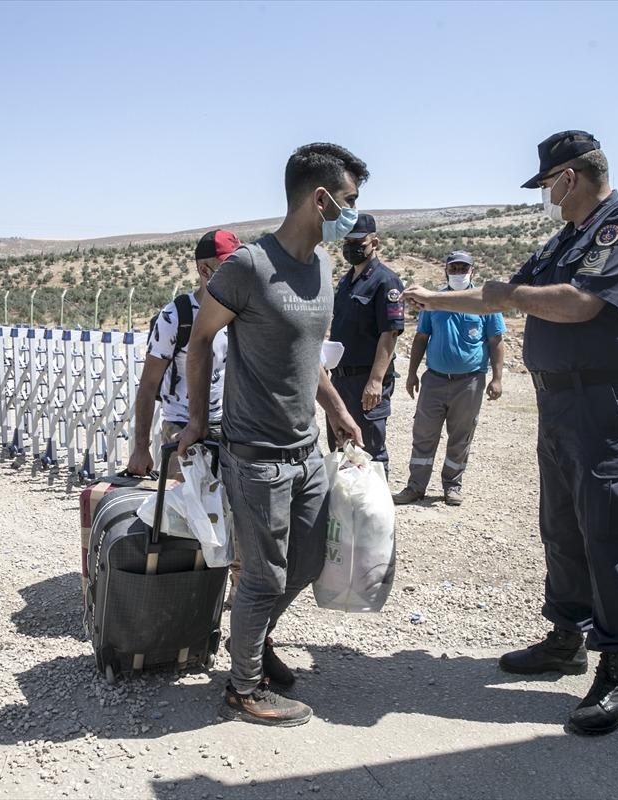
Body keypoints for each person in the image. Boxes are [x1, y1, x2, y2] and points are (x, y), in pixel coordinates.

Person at [401, 131, 618, 736]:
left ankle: (616, 669)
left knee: (609, 531)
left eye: (548, 183)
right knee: (564, 527)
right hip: (563, 405)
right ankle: (566, 639)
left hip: (611, 404)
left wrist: (506, 294)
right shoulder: (564, 239)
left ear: (569, 177)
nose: (546, 194)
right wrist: (435, 298)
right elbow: (500, 295)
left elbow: (578, 304)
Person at [178, 142, 366, 727]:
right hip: (255, 456)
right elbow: (202, 340)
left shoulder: (323, 268)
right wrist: (199, 419)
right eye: (350, 201)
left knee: (306, 564)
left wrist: (336, 409)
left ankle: (251, 643)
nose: (353, 214)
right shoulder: (250, 267)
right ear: (320, 198)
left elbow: (308, 358)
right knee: (265, 575)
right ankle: (244, 687)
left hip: (305, 449)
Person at [392, 251, 505, 507]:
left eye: (463, 268)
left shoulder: (485, 302)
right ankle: (415, 487)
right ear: (446, 271)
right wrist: (411, 374)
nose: (457, 272)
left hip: (470, 382)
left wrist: (497, 378)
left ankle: (452, 486)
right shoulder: (433, 302)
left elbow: (496, 340)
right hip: (434, 379)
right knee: (423, 434)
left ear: (472, 271)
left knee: (460, 436)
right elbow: (421, 337)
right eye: (453, 268)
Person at [127, 229, 241, 478]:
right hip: (182, 429)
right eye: (226, 267)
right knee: (183, 509)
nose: (235, 275)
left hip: (233, 430)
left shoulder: (242, 314)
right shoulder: (177, 316)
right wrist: (140, 448)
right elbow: (148, 385)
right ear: (204, 270)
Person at [327, 213, 405, 466]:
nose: (351, 248)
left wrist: (375, 380)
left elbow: (390, 332)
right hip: (340, 378)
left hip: (366, 379)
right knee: (340, 448)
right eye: (347, 243)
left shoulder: (386, 281)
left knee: (369, 451)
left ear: (375, 243)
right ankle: (344, 505)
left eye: (358, 243)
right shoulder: (346, 281)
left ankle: (374, 506)